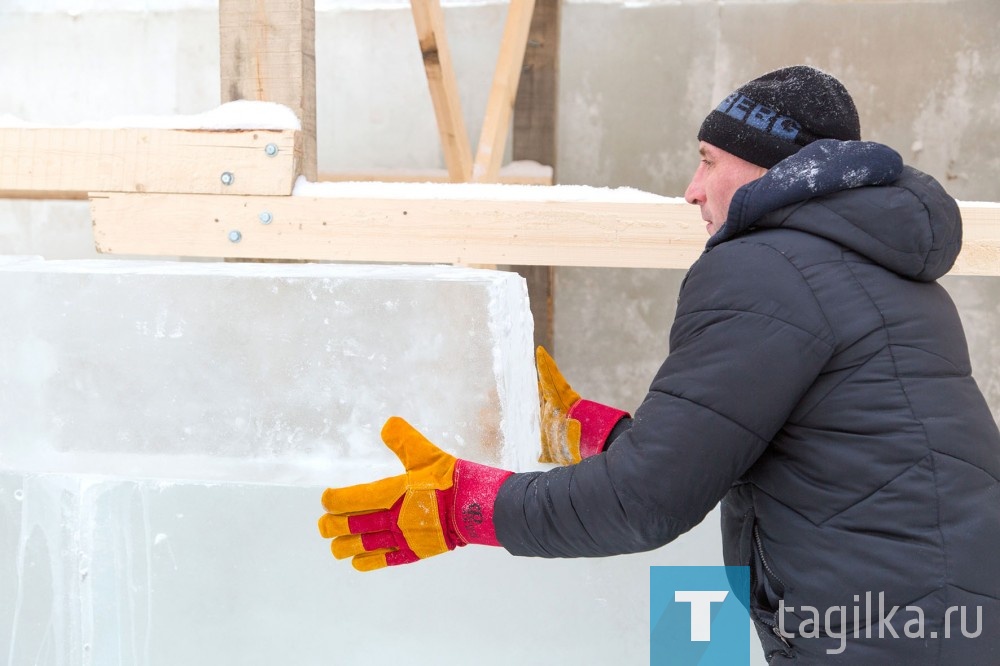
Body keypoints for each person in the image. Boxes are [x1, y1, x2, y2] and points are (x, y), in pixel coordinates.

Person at [318, 66, 1000, 664]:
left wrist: (464, 508)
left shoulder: (764, 268)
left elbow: (645, 502)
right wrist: (599, 432)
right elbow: (785, 449)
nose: (690, 189)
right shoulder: (882, 273)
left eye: (708, 161)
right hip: (945, 615)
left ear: (772, 170)